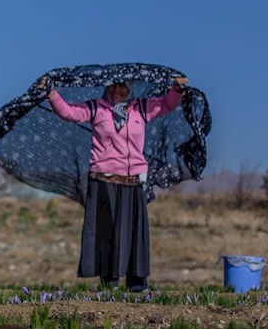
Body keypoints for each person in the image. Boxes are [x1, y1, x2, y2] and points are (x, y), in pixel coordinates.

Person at [44, 75, 187, 291]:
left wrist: (177, 89)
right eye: (113, 86)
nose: (117, 91)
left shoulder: (141, 108)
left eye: (122, 86)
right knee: (106, 233)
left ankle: (137, 285)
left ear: (129, 88)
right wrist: (52, 93)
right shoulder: (96, 108)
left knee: (134, 233)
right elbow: (68, 112)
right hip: (103, 179)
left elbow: (167, 104)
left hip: (133, 180)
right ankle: (109, 283)